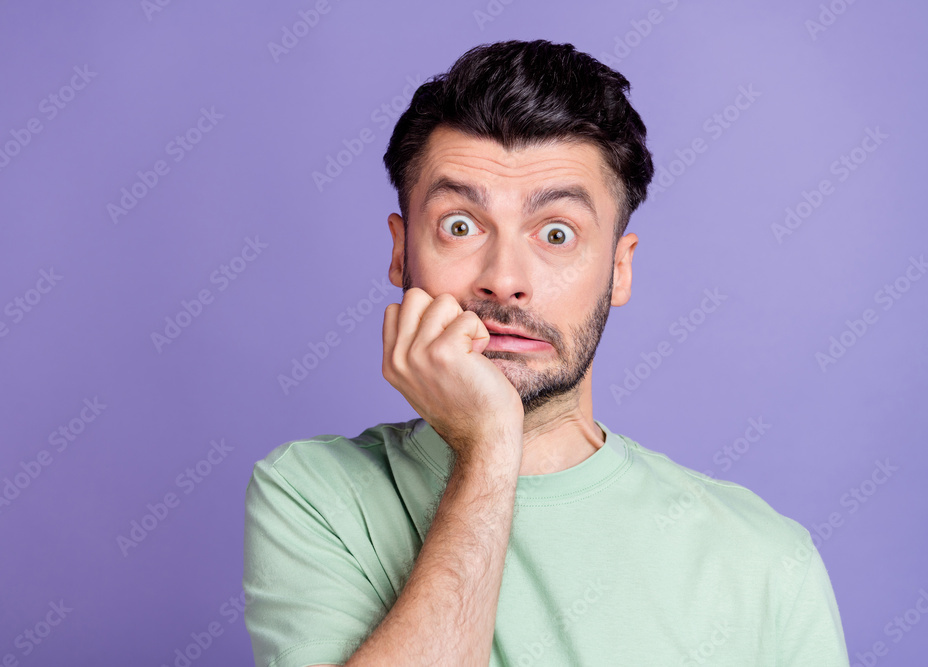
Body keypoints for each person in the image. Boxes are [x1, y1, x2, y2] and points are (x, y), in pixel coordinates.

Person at [243, 39, 849, 666]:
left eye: (557, 234)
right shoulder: (315, 495)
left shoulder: (766, 560)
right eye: (459, 225)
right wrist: (489, 447)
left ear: (618, 269)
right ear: (401, 253)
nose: (504, 279)